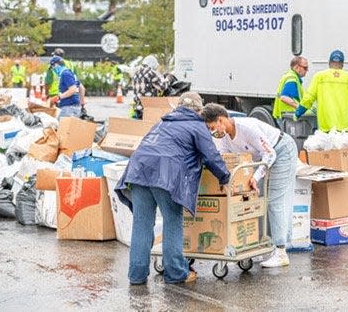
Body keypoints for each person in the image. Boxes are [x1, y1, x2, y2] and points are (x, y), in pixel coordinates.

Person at [115, 92, 230, 285]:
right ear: (199, 110)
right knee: (172, 221)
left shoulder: (162, 123)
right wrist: (225, 177)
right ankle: (176, 273)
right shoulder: (196, 125)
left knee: (142, 224)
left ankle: (136, 275)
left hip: (138, 172)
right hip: (165, 176)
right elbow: (211, 155)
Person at [201, 103, 298, 268]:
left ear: (220, 120)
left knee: (275, 200)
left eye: (212, 127)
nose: (212, 132)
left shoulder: (247, 127)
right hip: (261, 159)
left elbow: (270, 153)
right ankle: (264, 246)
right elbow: (227, 158)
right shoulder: (224, 136)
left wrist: (256, 176)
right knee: (256, 199)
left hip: (281, 151)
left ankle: (281, 251)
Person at [294, 49, 348, 134]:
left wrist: (298, 113)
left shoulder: (319, 76)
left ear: (329, 63)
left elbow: (308, 98)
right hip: (346, 129)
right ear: (342, 64)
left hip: (326, 128)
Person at [272, 56, 308, 125]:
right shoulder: (292, 78)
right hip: (288, 116)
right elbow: (284, 97)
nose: (307, 70)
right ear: (297, 67)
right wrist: (300, 108)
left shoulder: (289, 75)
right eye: (305, 68)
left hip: (284, 115)